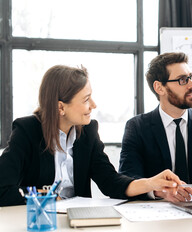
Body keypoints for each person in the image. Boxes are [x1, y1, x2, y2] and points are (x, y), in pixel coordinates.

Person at [0, 65, 182, 207]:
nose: (93, 105)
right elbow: (3, 188)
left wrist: (151, 184)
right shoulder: (27, 130)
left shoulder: (88, 132)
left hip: (80, 221)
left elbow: (110, 181)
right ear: (61, 107)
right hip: (42, 221)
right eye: (86, 99)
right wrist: (43, 198)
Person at [119, 52, 192, 202]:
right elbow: (128, 178)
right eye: (183, 80)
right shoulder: (137, 127)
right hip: (158, 213)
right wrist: (160, 191)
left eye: (190, 77)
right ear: (159, 88)